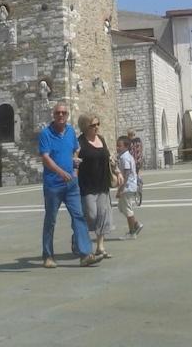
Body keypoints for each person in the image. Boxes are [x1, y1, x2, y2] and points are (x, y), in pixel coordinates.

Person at [39, 102, 100, 269]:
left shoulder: (71, 131)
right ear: (53, 114)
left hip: (71, 185)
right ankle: (48, 256)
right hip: (53, 185)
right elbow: (45, 158)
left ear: (67, 115)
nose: (60, 115)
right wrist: (60, 172)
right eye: (58, 113)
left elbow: (75, 151)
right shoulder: (45, 134)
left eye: (63, 113)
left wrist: (74, 171)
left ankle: (86, 254)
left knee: (79, 217)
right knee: (51, 220)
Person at [77, 112, 122, 259]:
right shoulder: (80, 142)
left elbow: (109, 158)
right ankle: (77, 235)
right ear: (85, 127)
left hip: (102, 183)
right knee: (91, 215)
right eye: (92, 125)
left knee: (103, 214)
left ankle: (100, 246)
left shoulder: (101, 139)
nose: (96, 127)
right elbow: (74, 161)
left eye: (97, 124)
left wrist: (117, 171)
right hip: (87, 184)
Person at [116, 135, 143, 238]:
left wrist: (121, 189)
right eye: (117, 146)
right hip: (129, 186)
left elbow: (126, 174)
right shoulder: (124, 156)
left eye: (119, 146)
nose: (117, 148)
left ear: (126, 147)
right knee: (122, 207)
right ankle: (136, 224)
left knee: (127, 209)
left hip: (127, 187)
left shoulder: (125, 157)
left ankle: (132, 232)